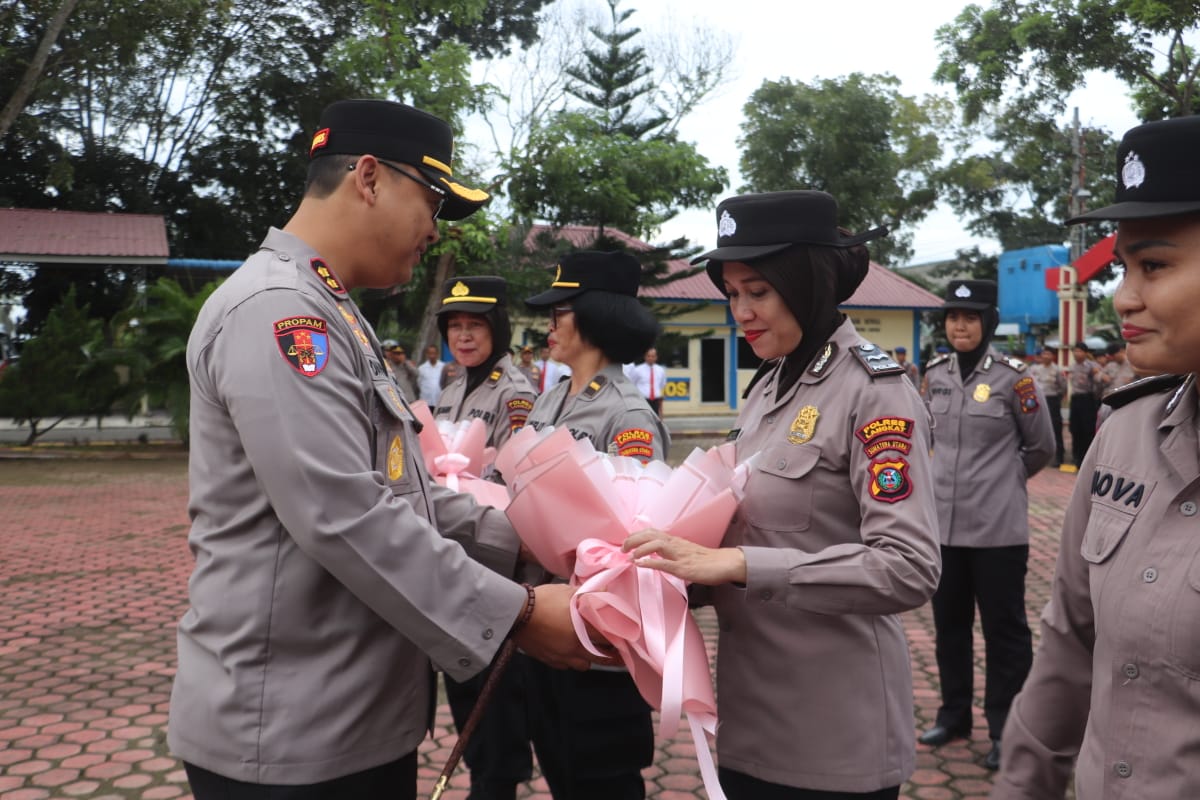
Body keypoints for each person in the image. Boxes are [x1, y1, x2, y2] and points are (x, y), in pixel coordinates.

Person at [168, 99, 601, 800]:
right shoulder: (282, 313)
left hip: (343, 717)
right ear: (368, 177)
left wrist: (546, 541)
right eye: (430, 201)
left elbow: (408, 494)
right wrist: (516, 614)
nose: (433, 229)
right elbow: (342, 511)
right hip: (289, 733)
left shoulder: (332, 310)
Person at [623, 190, 941, 799]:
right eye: (733, 293)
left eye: (759, 291)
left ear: (807, 282)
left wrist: (737, 565)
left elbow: (909, 568)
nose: (741, 311)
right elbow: (747, 528)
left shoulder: (876, 393)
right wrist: (660, 576)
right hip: (750, 718)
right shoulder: (769, 385)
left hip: (834, 730)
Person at [993, 115, 1200, 800]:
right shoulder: (1126, 432)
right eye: (1124, 268)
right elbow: (1071, 645)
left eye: (1156, 266)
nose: (1124, 297)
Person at [517, 249, 670, 800]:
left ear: (597, 316)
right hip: (544, 622)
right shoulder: (552, 398)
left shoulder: (627, 417)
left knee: (601, 780)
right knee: (559, 768)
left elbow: (635, 534)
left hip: (599, 647)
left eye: (561, 311)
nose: (549, 324)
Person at [918, 279, 1055, 772]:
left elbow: (1041, 447)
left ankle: (1005, 729)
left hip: (998, 530)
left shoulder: (1015, 379)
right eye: (953, 316)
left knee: (1006, 634)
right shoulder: (934, 374)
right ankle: (953, 715)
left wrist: (1003, 480)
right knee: (949, 629)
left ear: (987, 324)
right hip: (943, 532)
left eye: (970, 317)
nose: (960, 325)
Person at [429, 275, 537, 800]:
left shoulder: (515, 392)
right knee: (462, 675)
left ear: (497, 327)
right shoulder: (451, 387)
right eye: (455, 326)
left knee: (495, 686)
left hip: (494, 556)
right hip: (454, 551)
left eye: (474, 325)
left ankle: (497, 781)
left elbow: (519, 475)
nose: (464, 336)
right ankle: (482, 772)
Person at [1030, 348, 1068, 467]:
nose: (1046, 356)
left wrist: (1058, 398)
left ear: (1053, 356)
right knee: (1038, 427)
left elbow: (1063, 386)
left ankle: (1059, 457)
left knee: (1056, 428)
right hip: (1039, 401)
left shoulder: (1057, 369)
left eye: (1048, 353)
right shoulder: (1035, 369)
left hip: (1052, 400)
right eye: (1044, 353)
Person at [1067, 342, 1103, 465]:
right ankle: (1076, 457)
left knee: (1087, 429)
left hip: (1088, 399)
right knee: (1075, 428)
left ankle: (1087, 458)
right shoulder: (1072, 366)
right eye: (1075, 351)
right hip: (1075, 399)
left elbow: (1099, 383)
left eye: (1080, 351)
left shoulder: (1092, 366)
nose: (1077, 353)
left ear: (1086, 353)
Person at [628, 347, 667, 416]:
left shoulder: (661, 370)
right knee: (643, 421)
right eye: (648, 356)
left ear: (656, 357)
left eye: (653, 356)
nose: (650, 358)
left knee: (655, 422)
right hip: (642, 401)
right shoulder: (637, 370)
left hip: (655, 401)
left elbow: (661, 385)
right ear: (645, 357)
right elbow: (632, 383)